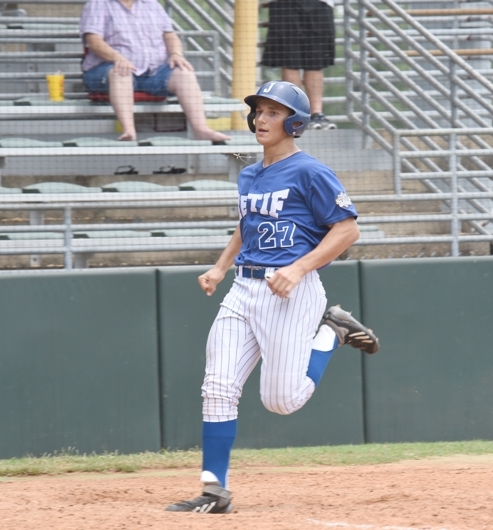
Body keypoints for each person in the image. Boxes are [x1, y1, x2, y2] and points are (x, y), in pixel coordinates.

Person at [165, 81, 379, 514]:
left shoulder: (310, 171)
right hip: (243, 288)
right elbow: (248, 224)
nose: (261, 119)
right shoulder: (250, 172)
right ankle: (214, 490)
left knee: (281, 401)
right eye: (259, 110)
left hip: (291, 293)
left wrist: (300, 268)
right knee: (217, 386)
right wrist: (220, 267)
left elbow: (348, 229)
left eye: (273, 113)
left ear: (295, 123)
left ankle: (330, 332)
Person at [79, 0, 230, 143]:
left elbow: (170, 35)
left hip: (153, 72)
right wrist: (118, 58)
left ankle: (201, 130)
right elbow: (93, 41)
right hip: (106, 70)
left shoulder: (152, 4)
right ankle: (129, 131)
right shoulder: (98, 4)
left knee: (185, 73)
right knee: (121, 71)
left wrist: (176, 54)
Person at [261, 0, 337, 130]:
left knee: (315, 62)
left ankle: (317, 114)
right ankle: (295, 112)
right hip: (285, 4)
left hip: (320, 4)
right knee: (290, 61)